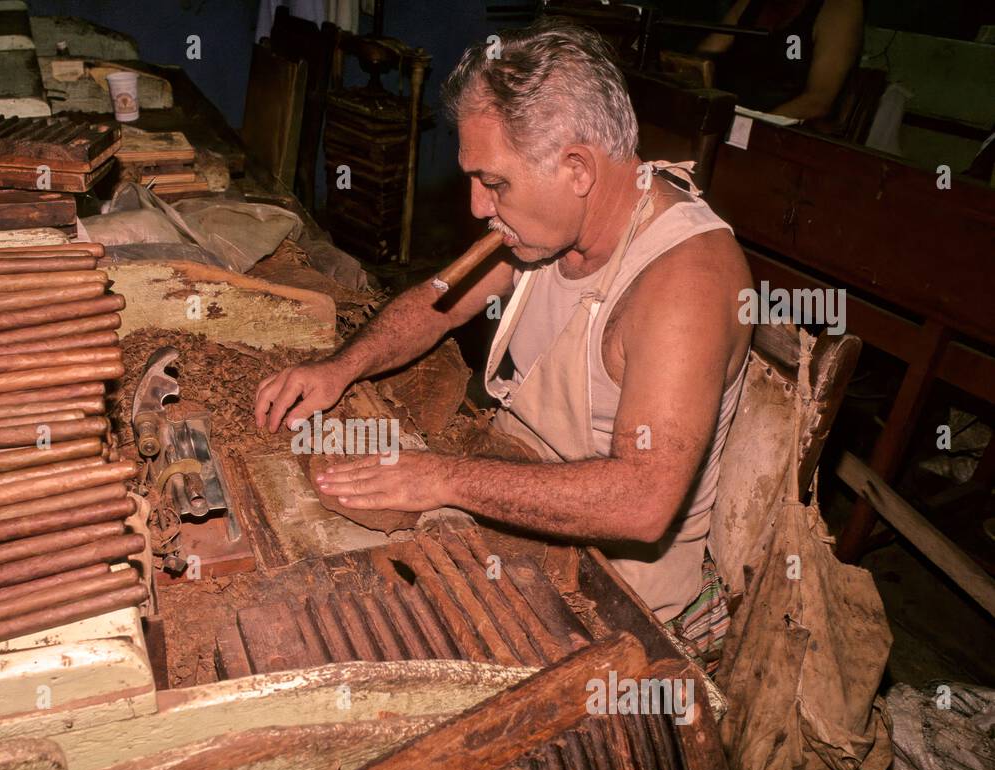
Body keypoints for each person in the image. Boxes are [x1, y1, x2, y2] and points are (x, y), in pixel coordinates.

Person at [253, 21, 753, 658]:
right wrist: (340, 368)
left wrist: (443, 478)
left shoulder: (686, 281)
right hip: (520, 492)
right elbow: (437, 306)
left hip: (618, 593)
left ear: (577, 168)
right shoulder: (545, 224)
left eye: (494, 183)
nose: (477, 206)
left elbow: (643, 502)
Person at [699, 0, 864, 120]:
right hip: (725, 119)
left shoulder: (839, 7)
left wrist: (747, 127)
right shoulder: (749, 4)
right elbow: (703, 60)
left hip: (786, 138)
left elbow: (819, 101)